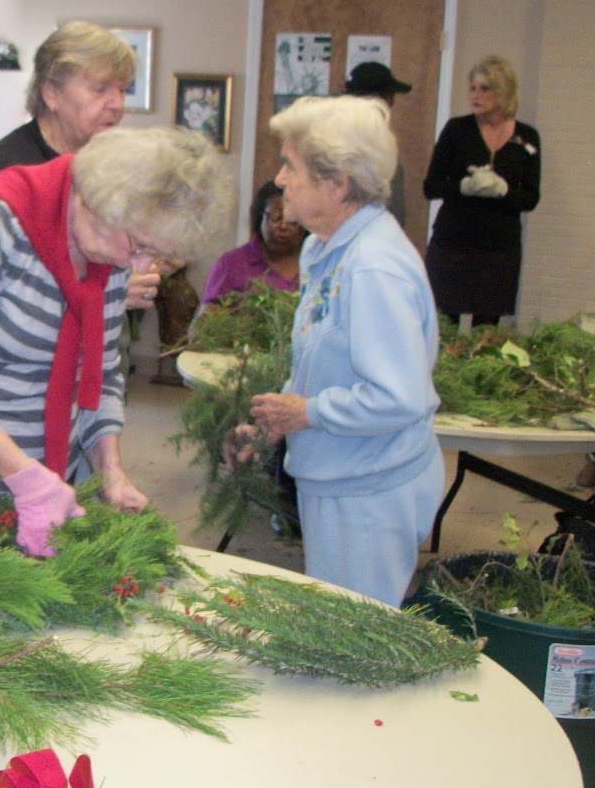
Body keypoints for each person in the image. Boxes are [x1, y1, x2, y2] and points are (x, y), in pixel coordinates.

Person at [0, 127, 232, 557]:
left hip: (45, 480)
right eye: (138, 246)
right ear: (97, 199)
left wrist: (110, 472)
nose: (141, 266)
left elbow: (100, 372)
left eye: (157, 255)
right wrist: (26, 479)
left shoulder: (112, 252)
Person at [230, 96, 444, 606]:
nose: (279, 180)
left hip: (369, 490)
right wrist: (274, 420)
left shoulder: (373, 268)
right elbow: (318, 359)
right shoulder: (325, 249)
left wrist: (307, 413)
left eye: (291, 166)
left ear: (338, 182)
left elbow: (399, 397)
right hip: (341, 471)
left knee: (358, 633)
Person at [0, 21, 163, 312]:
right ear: (51, 93)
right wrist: (109, 291)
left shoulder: (104, 168)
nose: (117, 104)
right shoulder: (5, 173)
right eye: (100, 89)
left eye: (122, 89)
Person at [422, 55, 542, 327]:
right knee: (443, 326)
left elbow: (531, 198)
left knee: (486, 332)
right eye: (473, 88)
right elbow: (431, 186)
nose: (476, 95)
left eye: (485, 88)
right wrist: (463, 187)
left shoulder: (527, 137)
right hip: (453, 244)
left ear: (503, 92)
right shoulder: (457, 130)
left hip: (498, 250)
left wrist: (503, 191)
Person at [200, 180, 305, 305]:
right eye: (276, 218)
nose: (283, 226)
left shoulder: (316, 261)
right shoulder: (231, 264)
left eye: (292, 220)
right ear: (260, 217)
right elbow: (208, 320)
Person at [343, 60, 412, 227]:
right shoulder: (371, 142)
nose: (392, 103)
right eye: (390, 96)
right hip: (368, 233)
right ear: (381, 99)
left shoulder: (335, 132)